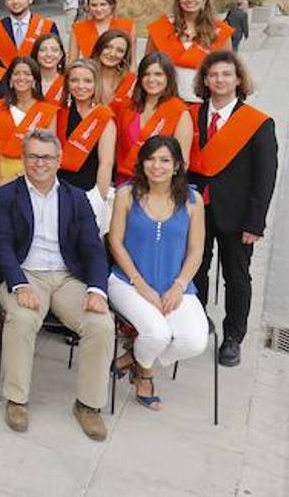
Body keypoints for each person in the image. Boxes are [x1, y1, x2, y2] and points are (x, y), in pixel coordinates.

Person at [0, 128, 114, 441]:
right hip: (25, 273)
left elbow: (93, 249)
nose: (39, 163)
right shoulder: (5, 196)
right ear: (23, 158)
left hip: (67, 277)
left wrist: (97, 290)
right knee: (22, 318)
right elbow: (1, 248)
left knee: (101, 324)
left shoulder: (76, 198)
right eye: (32, 156)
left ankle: (88, 405)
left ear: (59, 160)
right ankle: (17, 399)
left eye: (46, 157)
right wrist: (19, 285)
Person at [189, 50, 277, 367]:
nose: (220, 80)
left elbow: (264, 179)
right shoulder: (192, 115)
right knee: (195, 267)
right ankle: (196, 321)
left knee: (236, 277)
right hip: (196, 208)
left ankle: (233, 337)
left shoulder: (257, 124)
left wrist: (255, 223)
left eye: (226, 74)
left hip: (237, 216)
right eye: (213, 75)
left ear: (238, 79)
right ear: (205, 80)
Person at [107, 135, 209, 408]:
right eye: (150, 159)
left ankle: (133, 357)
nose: (157, 166)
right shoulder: (126, 194)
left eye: (165, 160)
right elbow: (115, 241)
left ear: (177, 165)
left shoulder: (193, 200)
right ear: (142, 163)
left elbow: (196, 250)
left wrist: (178, 286)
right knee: (157, 334)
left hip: (176, 285)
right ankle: (145, 373)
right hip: (127, 283)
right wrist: (139, 284)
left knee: (195, 342)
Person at [145, 0, 233, 101]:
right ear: (178, 0)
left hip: (203, 102)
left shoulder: (220, 32)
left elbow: (227, 71)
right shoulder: (161, 27)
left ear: (204, 0)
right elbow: (147, 66)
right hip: (165, 100)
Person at [114, 52, 193, 185]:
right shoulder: (127, 107)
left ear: (168, 77)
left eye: (158, 74)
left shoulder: (180, 112)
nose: (151, 79)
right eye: (146, 74)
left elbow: (182, 162)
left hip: (159, 186)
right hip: (124, 183)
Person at [57, 60, 117, 232]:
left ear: (96, 83)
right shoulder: (60, 113)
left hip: (90, 191)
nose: (80, 86)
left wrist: (99, 198)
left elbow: (106, 163)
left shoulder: (104, 117)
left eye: (87, 81)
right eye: (74, 80)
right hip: (60, 189)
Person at [0, 57, 60, 190]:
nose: (21, 78)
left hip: (37, 175)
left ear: (35, 80)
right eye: (17, 73)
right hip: (3, 175)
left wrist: (22, 177)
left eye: (27, 74)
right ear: (10, 79)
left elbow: (50, 149)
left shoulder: (47, 111)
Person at [69, 0, 134, 64]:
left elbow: (131, 62)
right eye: (94, 5)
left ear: (112, 5)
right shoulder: (78, 28)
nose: (98, 9)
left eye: (103, 4)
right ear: (88, 6)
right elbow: (72, 61)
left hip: (119, 74)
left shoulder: (127, 26)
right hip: (90, 74)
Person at [90, 28, 136, 110]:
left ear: (125, 56)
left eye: (120, 50)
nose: (112, 54)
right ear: (99, 48)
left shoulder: (131, 81)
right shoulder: (85, 77)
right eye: (107, 47)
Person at [31, 31, 68, 105]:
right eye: (43, 50)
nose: (49, 54)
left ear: (61, 55)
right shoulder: (28, 82)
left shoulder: (68, 82)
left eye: (54, 50)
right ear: (36, 54)